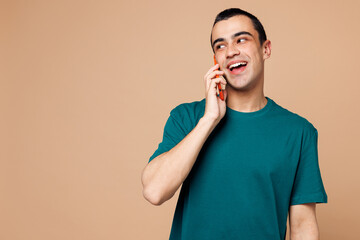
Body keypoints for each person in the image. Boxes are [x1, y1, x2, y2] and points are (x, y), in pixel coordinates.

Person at [141, 8, 328, 240]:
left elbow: (302, 225)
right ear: (215, 61)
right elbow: (154, 191)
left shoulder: (299, 132)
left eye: (241, 40)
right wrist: (209, 120)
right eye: (220, 46)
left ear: (265, 49)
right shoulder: (187, 117)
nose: (231, 52)